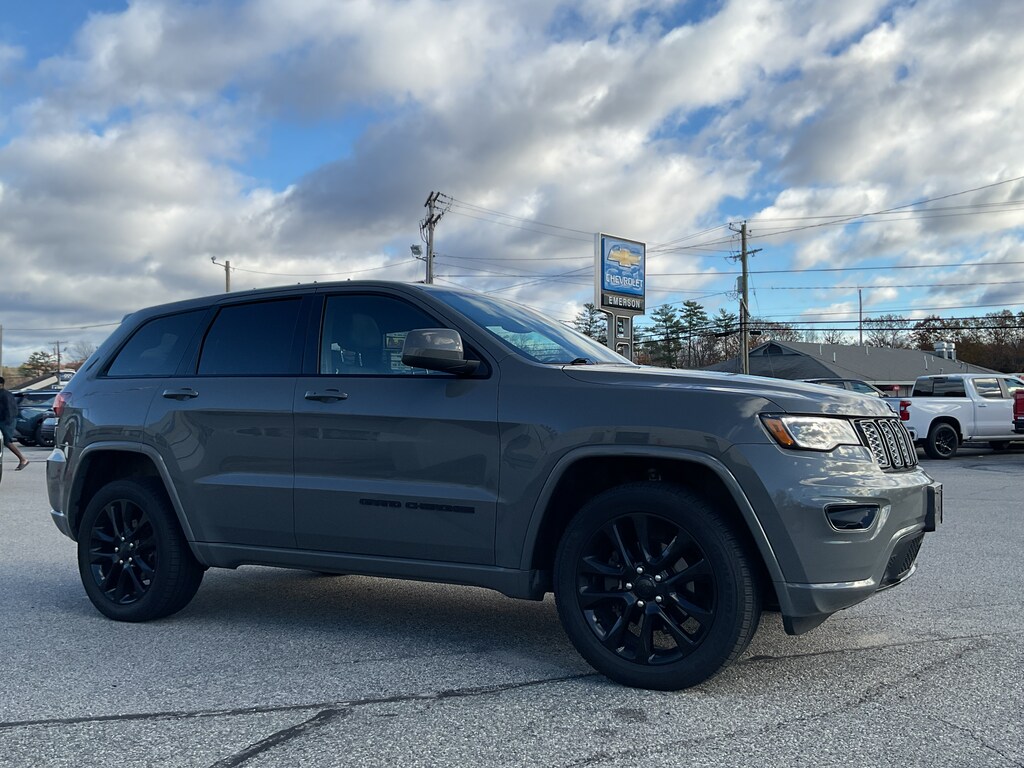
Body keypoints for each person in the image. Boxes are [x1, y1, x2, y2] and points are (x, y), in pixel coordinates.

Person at [0, 376, 29, 470]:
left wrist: (8, 422)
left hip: (6, 421)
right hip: (4, 420)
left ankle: (23, 459)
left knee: (7, 441)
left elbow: (10, 409)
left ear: (1, 384)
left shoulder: (5, 394)